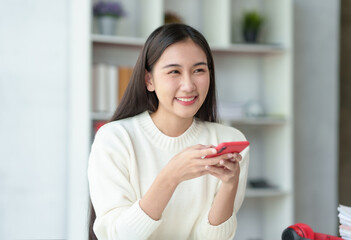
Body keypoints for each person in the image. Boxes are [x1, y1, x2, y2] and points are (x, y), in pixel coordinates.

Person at [88, 23, 249, 240]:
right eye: (174, 71)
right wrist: (171, 176)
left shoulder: (229, 140)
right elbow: (119, 236)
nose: (189, 85)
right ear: (149, 80)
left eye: (199, 70)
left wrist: (230, 185)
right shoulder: (115, 139)